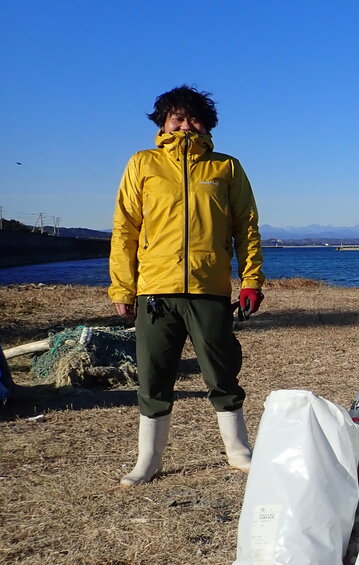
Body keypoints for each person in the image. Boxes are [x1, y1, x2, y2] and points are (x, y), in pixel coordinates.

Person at [109, 85, 265, 486]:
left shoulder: (226, 167)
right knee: (154, 375)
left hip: (208, 287)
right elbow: (125, 228)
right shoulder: (142, 164)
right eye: (176, 118)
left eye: (193, 118)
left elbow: (246, 227)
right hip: (155, 290)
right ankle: (148, 460)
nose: (184, 126)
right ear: (163, 123)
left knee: (222, 372)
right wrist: (122, 287)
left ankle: (238, 451)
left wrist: (251, 280)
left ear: (206, 124)